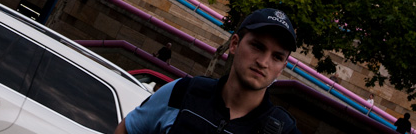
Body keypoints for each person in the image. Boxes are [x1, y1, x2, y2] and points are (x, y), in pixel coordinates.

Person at [116, 8, 301, 134]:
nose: (263, 62)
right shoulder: (184, 92)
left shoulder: (284, 130)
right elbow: (128, 128)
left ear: (282, 68)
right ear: (234, 44)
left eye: (277, 57)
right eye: (257, 46)